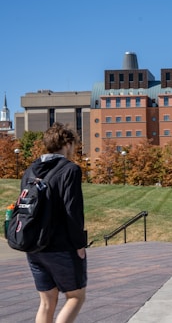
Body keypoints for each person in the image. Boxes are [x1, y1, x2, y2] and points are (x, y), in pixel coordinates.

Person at [23, 122, 87, 322]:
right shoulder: (70, 170)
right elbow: (72, 211)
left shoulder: (30, 170)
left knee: (46, 302)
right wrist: (80, 244)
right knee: (75, 296)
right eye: (74, 145)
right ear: (67, 144)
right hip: (60, 246)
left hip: (33, 245)